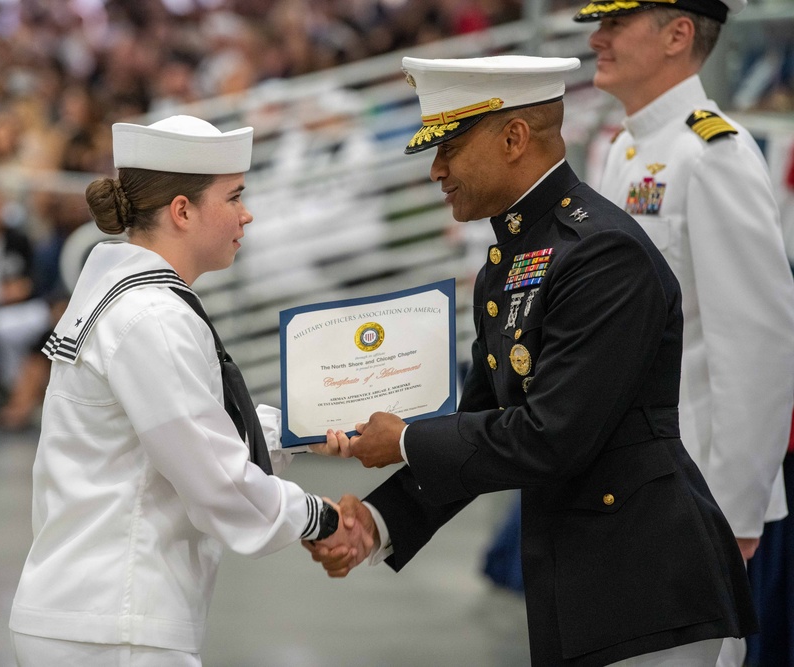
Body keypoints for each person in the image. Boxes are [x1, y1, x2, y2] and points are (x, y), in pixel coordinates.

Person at [304, 55, 758, 666]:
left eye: (450, 149)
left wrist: (409, 440)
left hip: (651, 590)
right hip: (587, 588)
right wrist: (378, 521)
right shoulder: (516, 260)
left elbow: (551, 436)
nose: (437, 169)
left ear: (514, 138)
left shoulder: (600, 254)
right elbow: (481, 420)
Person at [8, 115, 367, 666]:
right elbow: (216, 478)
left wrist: (302, 428)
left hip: (94, 611)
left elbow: (185, 427)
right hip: (117, 621)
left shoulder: (131, 294)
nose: (246, 214)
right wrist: (319, 517)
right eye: (234, 196)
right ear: (182, 210)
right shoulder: (151, 315)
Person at [574, 1, 794, 663]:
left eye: (616, 23)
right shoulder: (626, 149)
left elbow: (756, 347)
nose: (597, 37)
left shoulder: (713, 154)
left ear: (678, 35)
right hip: (622, 481)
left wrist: (733, 513)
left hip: (691, 493)